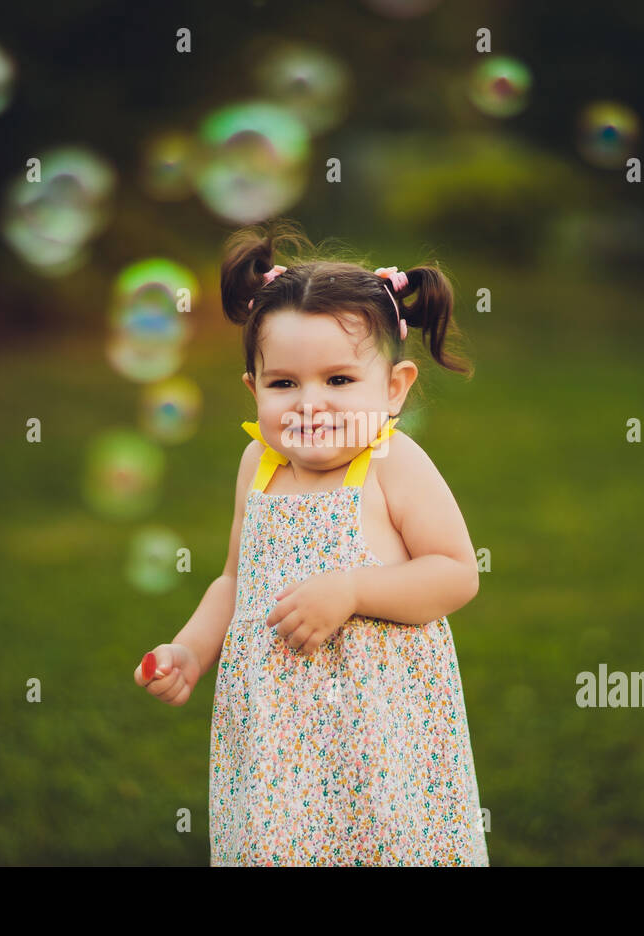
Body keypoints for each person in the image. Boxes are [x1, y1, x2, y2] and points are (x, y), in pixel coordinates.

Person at [135, 219, 488, 866]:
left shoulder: (391, 464)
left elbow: (455, 574)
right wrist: (189, 649)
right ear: (254, 389)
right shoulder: (259, 465)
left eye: (339, 380)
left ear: (395, 388)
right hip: (276, 743)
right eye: (284, 383)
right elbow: (235, 580)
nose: (310, 404)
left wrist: (352, 589)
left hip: (377, 735)